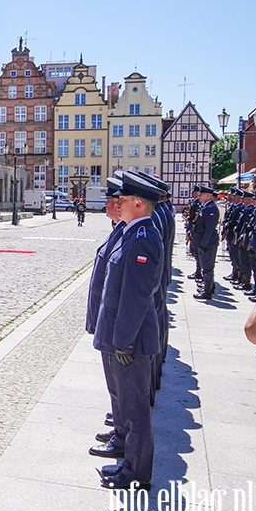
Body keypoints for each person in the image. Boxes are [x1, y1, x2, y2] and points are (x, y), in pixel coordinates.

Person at [91, 171, 165, 491]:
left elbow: (136, 297)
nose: (116, 204)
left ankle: (136, 473)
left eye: (121, 200)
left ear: (137, 203)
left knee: (135, 411)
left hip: (130, 342)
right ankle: (129, 463)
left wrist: (122, 342)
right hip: (121, 337)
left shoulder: (144, 237)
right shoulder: (132, 233)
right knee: (127, 404)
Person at [86, 178, 126, 458]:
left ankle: (131, 458)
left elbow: (136, 293)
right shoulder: (124, 230)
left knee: (129, 394)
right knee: (119, 390)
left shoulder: (139, 234)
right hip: (111, 322)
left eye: (115, 200)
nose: (109, 205)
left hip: (122, 329)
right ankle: (121, 430)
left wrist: (123, 338)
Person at [192, 186, 220, 300]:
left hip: (208, 242)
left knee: (207, 266)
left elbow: (209, 228)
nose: (199, 196)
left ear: (208, 196)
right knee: (204, 265)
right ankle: (207, 286)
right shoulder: (205, 207)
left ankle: (207, 291)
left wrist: (204, 244)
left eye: (202, 195)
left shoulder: (211, 208)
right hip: (202, 240)